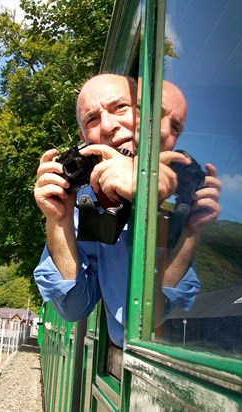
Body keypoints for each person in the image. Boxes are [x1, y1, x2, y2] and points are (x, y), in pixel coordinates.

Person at [33, 74, 220, 347]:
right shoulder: (85, 202)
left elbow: (179, 319)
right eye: (92, 119)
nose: (108, 126)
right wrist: (58, 220)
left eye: (120, 107)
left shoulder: (190, 189)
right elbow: (74, 307)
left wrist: (149, 185)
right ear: (84, 138)